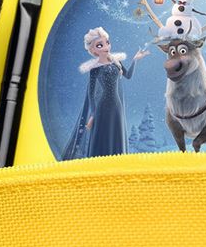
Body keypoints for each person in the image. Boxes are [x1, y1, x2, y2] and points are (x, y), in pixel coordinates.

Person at [62, 27, 149, 159]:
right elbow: (91, 94)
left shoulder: (116, 62)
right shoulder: (95, 69)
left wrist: (135, 60)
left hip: (117, 105)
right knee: (102, 136)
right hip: (102, 107)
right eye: (100, 45)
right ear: (93, 50)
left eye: (107, 42)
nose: (105, 46)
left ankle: (117, 162)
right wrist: (93, 114)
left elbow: (128, 75)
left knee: (116, 133)